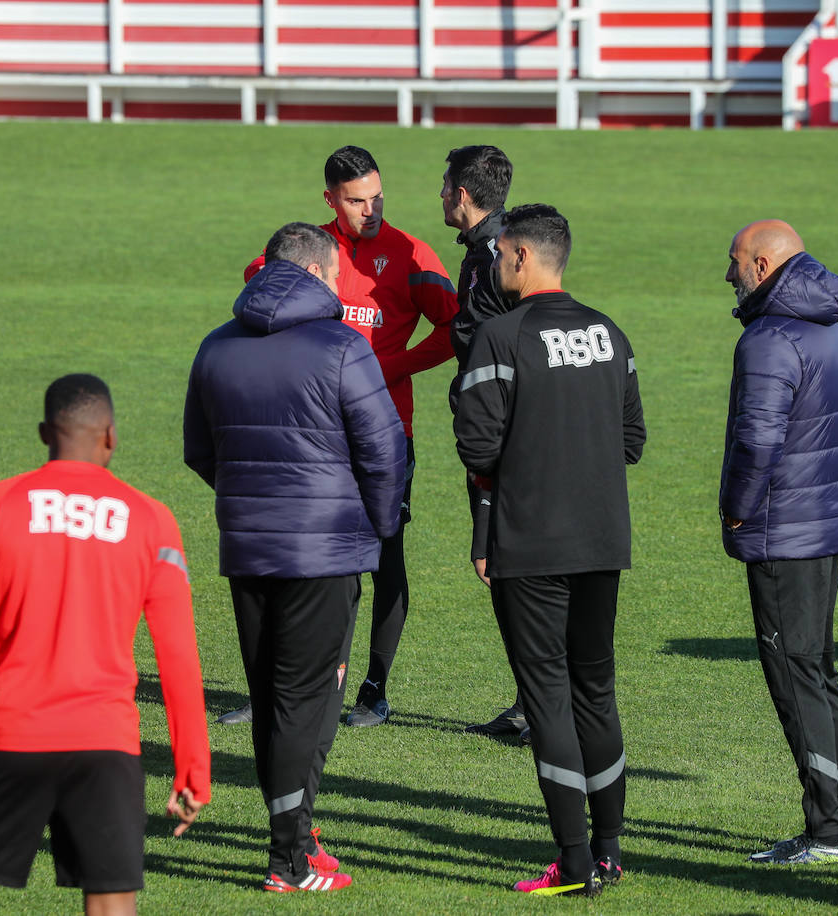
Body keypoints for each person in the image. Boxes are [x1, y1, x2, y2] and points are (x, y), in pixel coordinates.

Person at [0, 374, 211, 915]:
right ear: (110, 437)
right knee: (111, 907)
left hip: (6, 737)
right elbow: (177, 657)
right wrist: (191, 768)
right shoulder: (152, 520)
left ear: (44, 433)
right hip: (104, 745)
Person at [186, 222, 406, 891]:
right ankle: (287, 861)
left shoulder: (216, 346)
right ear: (314, 274)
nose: (340, 287)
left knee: (269, 695)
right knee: (307, 701)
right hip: (326, 553)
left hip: (249, 545)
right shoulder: (343, 345)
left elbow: (200, 450)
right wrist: (376, 523)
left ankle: (298, 835)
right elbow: (386, 452)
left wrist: (252, 500)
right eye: (337, 276)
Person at [229, 145, 457, 729]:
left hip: (384, 433)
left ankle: (374, 688)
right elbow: (255, 284)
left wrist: (391, 369)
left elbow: (458, 327)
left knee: (385, 555)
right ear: (330, 200)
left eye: (377, 197)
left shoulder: (410, 254)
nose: (370, 210)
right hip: (313, 437)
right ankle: (277, 689)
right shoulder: (310, 251)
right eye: (356, 201)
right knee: (297, 559)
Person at [454, 204, 645, 897]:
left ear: (523, 257)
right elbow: (631, 440)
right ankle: (610, 852)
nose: (497, 266)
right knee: (596, 690)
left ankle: (571, 864)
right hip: (602, 541)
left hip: (531, 543)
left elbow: (477, 446)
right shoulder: (610, 332)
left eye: (502, 255)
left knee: (547, 698)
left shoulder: (501, 337)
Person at [720, 220, 838, 866]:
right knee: (819, 671)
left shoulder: (768, 338)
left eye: (735, 262)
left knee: (794, 677)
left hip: (784, 533)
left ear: (763, 262)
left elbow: (757, 442)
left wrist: (736, 512)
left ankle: (826, 831)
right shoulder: (828, 321)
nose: (728, 275)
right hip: (827, 523)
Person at [437, 144, 528, 743]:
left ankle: (538, 702)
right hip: (499, 426)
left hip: (503, 435)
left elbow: (492, 341)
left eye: (445, 187)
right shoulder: (493, 250)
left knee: (505, 563)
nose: (440, 196)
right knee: (505, 566)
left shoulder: (494, 257)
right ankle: (533, 697)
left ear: (464, 196)